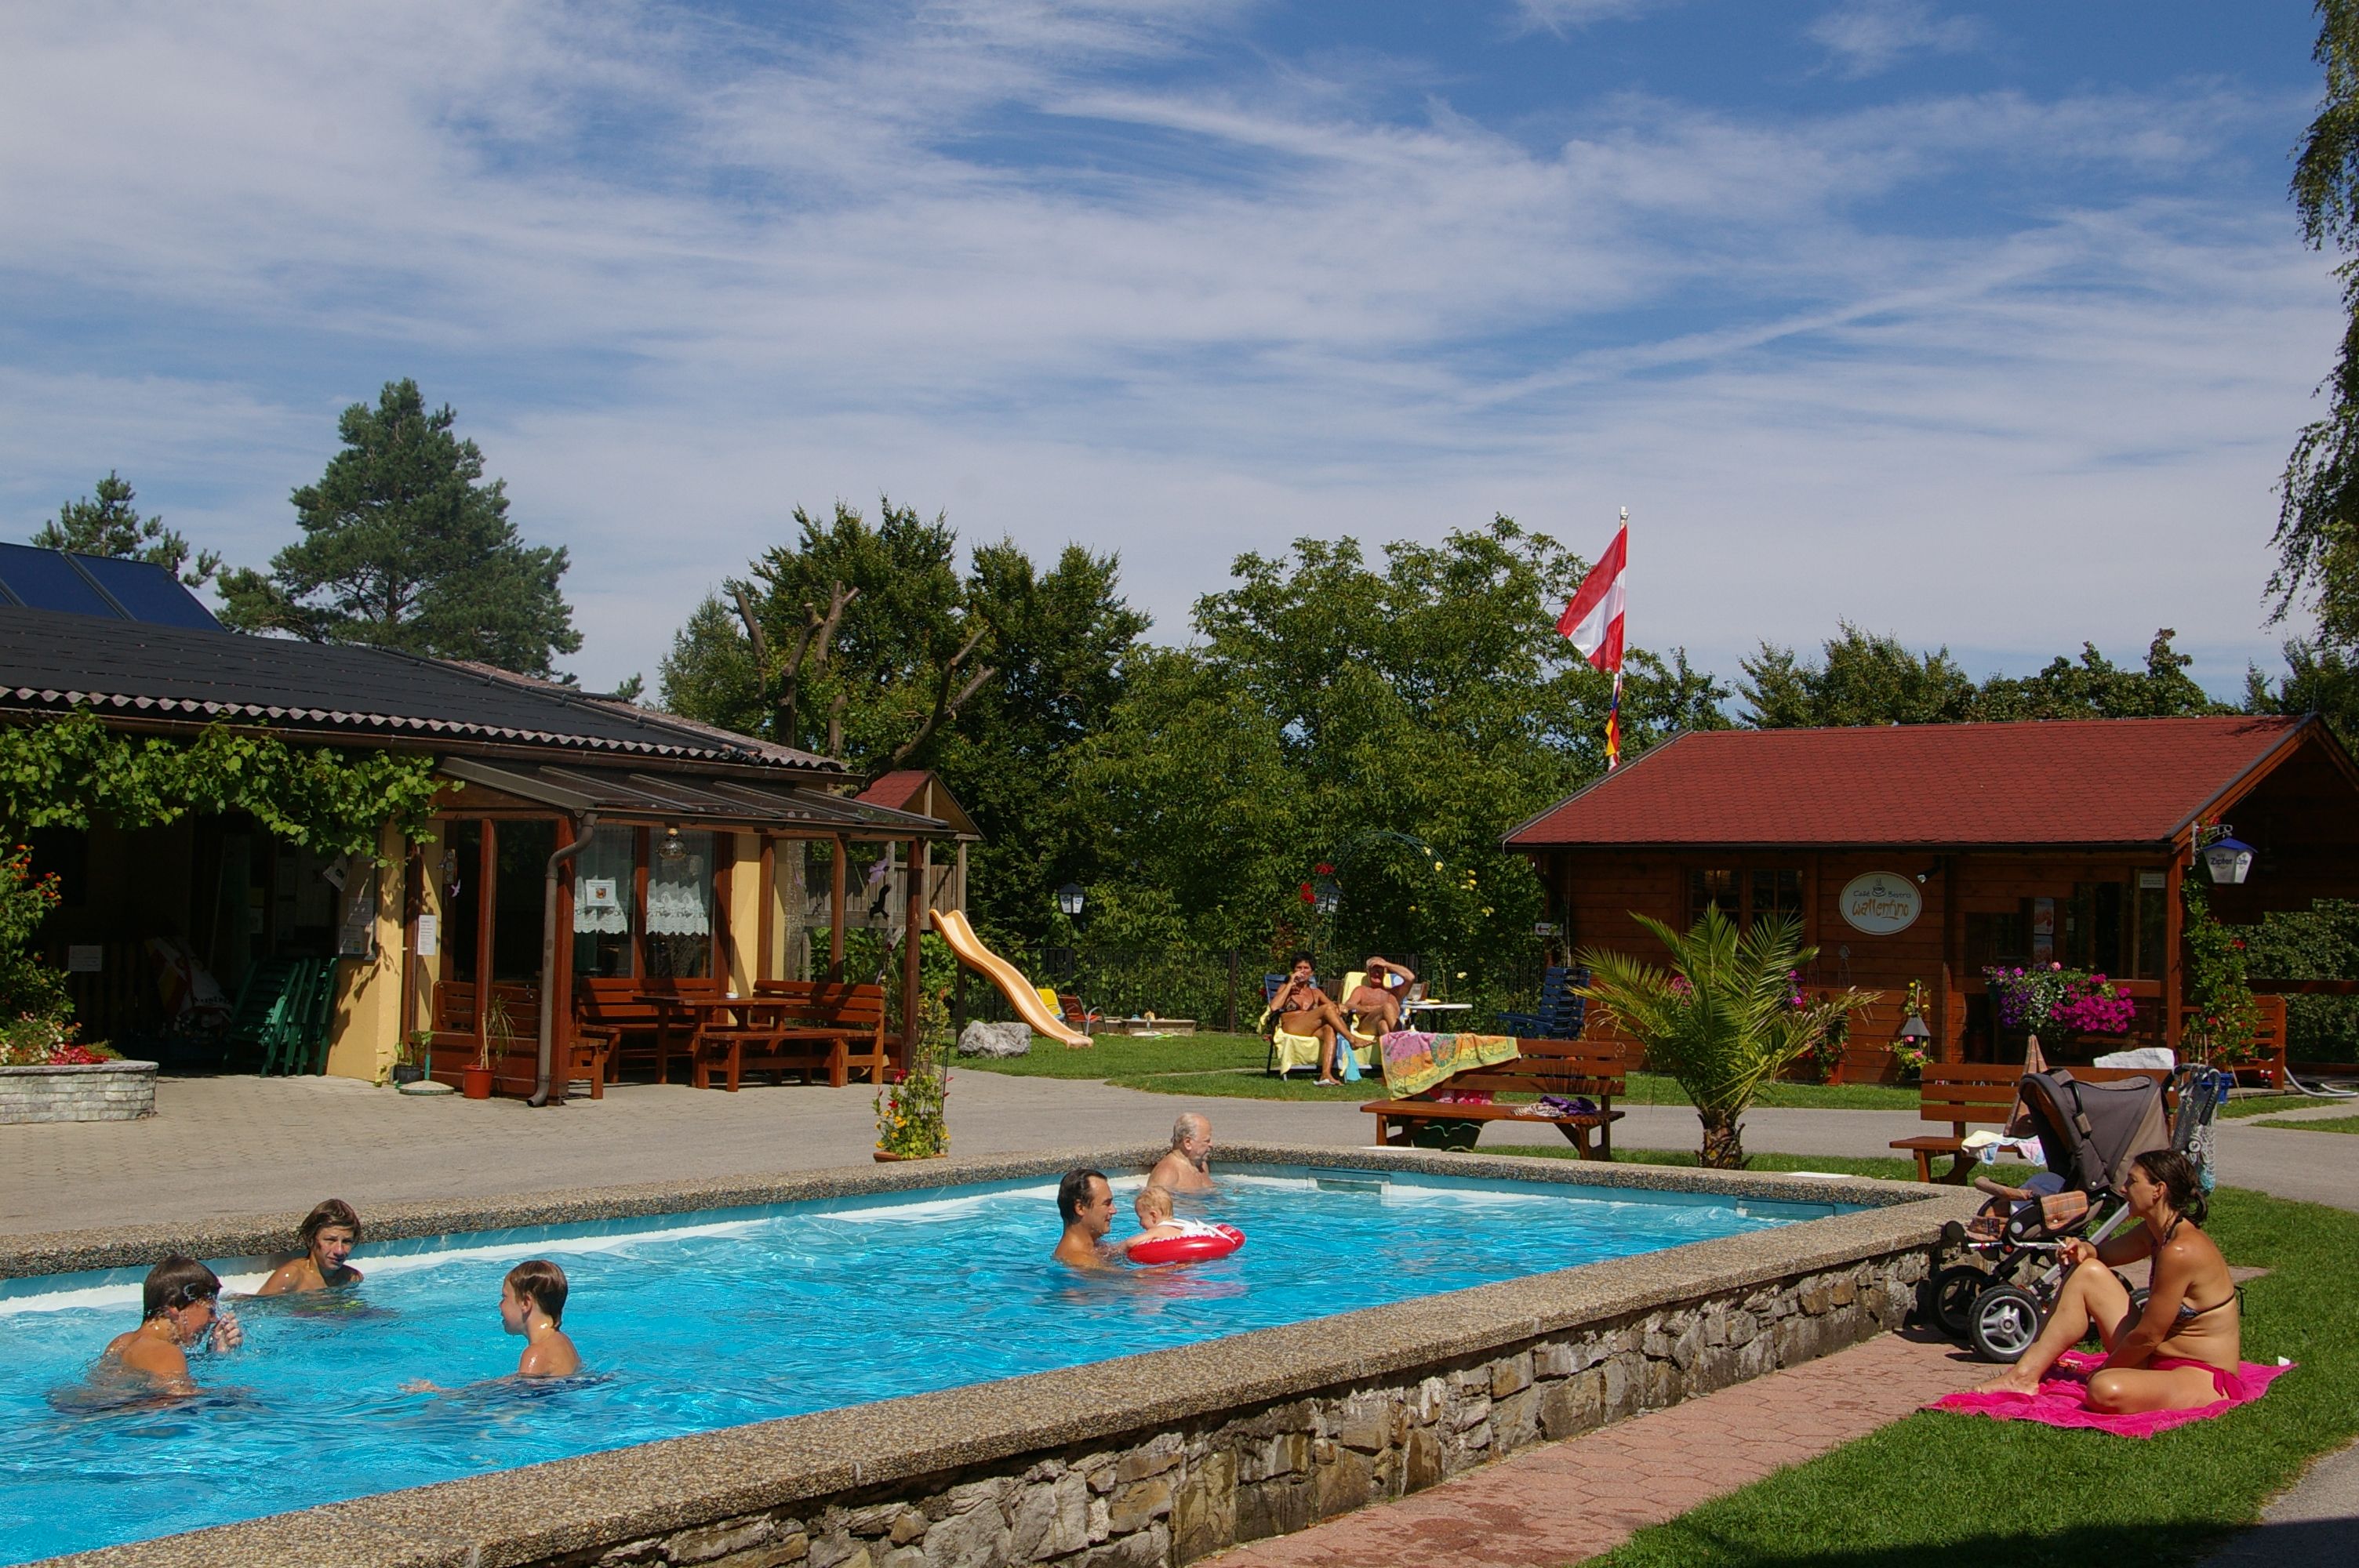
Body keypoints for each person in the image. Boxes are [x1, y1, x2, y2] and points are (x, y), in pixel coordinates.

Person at [1975, 1149, 2242, 1412]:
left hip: (2200, 1372)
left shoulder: (2181, 1251)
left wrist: (2106, 1368)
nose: (2123, 1189)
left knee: (2104, 1388)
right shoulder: (2155, 1232)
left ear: (2158, 1190)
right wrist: (2082, 1249)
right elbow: (2100, 1254)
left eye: (2132, 1182)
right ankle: (2023, 1377)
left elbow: (2149, 1335)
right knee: (2087, 1272)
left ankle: (2109, 1377)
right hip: (2155, 1357)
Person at [93, 1256, 243, 1396]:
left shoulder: (121, 1342)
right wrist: (231, 1395)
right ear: (175, 1307)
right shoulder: (165, 1352)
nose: (214, 1319)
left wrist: (215, 1355)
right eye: (210, 1311)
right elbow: (177, 1404)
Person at [1270, 953, 1358, 1085]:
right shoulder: (1286, 988)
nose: (1302, 971)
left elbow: (1333, 1009)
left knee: (1329, 1029)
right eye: (1299, 968)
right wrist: (1290, 983)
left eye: (1306, 968)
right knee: (1327, 1008)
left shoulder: (1316, 992)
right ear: (1293, 971)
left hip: (1309, 1028)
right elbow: (1274, 1007)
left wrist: (1340, 1006)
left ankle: (1326, 1075)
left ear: (1312, 973)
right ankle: (1351, 1039)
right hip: (1292, 1026)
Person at [258, 1198, 365, 1295]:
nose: (339, 1251)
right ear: (310, 1240)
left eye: (347, 1241)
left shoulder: (351, 1278)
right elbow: (258, 1307)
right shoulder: (291, 1277)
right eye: (330, 1240)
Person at [500, 1260, 581, 1378]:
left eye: (504, 1297)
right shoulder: (563, 1341)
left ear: (525, 1303)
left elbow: (522, 1388)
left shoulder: (535, 1354)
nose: (500, 1305)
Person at [1119, 1185, 1229, 1257]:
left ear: (1153, 1215)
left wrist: (1116, 1250)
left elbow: (1131, 1243)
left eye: (1141, 1218)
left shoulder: (1159, 1231)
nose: (1140, 1224)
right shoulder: (1182, 1224)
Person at [1052, 1167, 1118, 1271]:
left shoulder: (1096, 1247)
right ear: (1080, 1208)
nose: (1114, 1210)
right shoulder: (1082, 1263)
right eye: (1107, 1203)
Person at [1343, 956, 1417, 1038]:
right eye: (1373, 970)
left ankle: (1391, 1044)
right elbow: (1348, 1006)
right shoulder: (1361, 990)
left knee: (1383, 1025)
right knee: (1387, 1007)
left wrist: (1386, 964)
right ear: (1367, 971)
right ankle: (1401, 1040)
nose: (1376, 973)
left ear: (1385, 972)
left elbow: (1410, 977)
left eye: (1380, 970)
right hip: (1367, 1026)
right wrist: (1370, 1009)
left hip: (1388, 1027)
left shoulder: (1395, 992)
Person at [1150, 1113, 1215, 1193]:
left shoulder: (1202, 1166)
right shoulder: (1166, 1175)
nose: (1211, 1144)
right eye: (1207, 1141)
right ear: (1188, 1143)